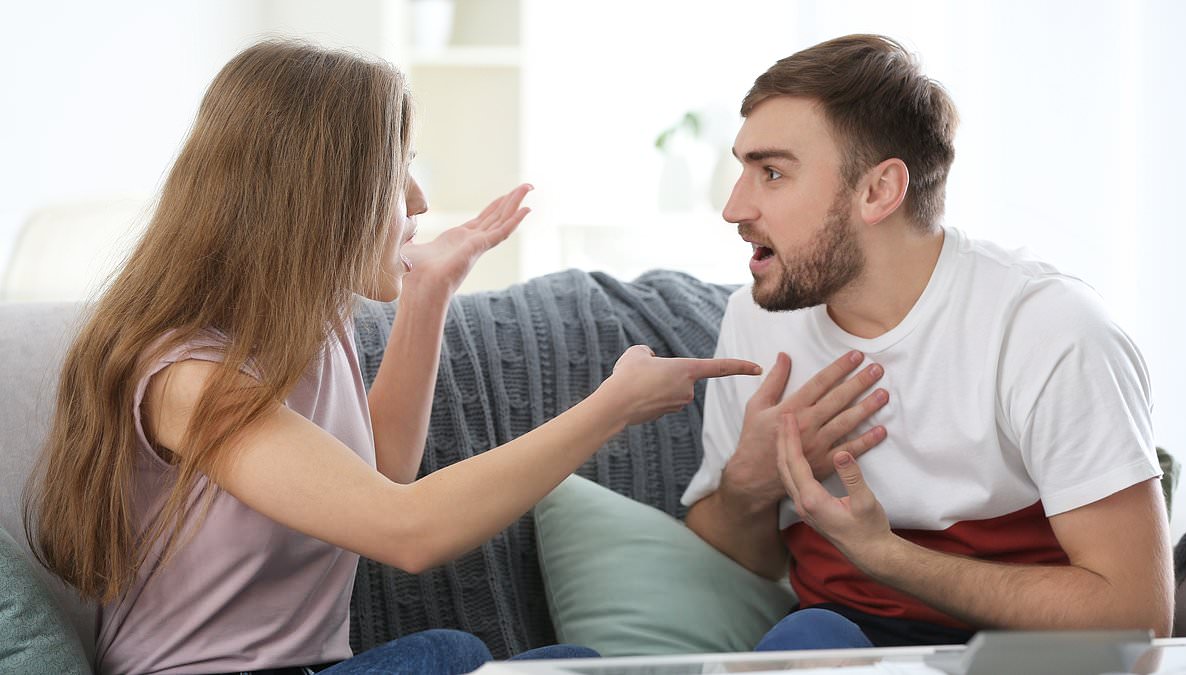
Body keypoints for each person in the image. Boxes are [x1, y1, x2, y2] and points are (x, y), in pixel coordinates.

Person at [23, 40, 761, 675]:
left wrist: (428, 294)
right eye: (396, 170)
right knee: (452, 651)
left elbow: (378, 473)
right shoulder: (191, 378)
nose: (414, 199)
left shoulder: (313, 327)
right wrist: (611, 406)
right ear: (319, 197)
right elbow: (406, 529)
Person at [682, 34, 1173, 650]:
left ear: (879, 191)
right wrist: (752, 481)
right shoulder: (757, 320)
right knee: (809, 636)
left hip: (1021, 658)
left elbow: (1138, 616)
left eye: (772, 172)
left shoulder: (1049, 330)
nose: (734, 207)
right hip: (835, 646)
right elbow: (738, 559)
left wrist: (887, 556)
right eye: (742, 169)